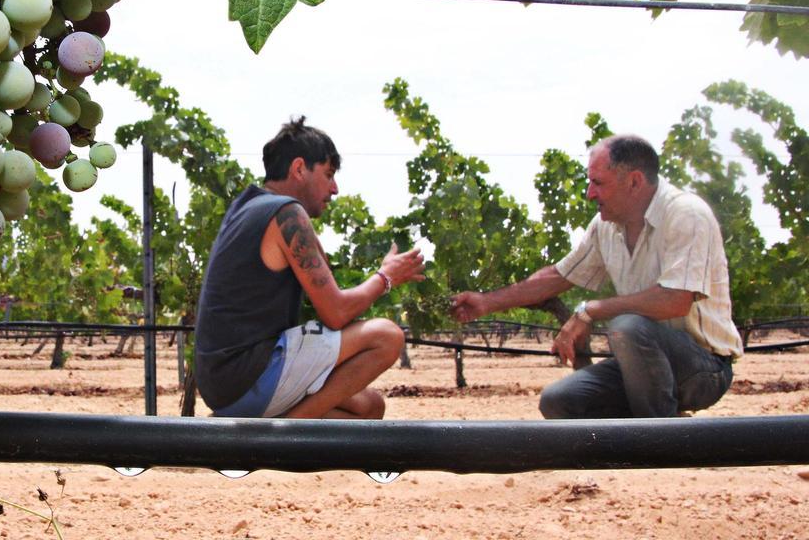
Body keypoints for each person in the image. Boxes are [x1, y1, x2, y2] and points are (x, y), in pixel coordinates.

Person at [451, 134, 742, 418]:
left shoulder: (686, 214)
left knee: (627, 327)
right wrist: (486, 302)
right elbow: (558, 276)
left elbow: (674, 301)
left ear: (635, 182)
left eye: (598, 183)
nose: (590, 193)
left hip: (704, 368)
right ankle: (655, 427)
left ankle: (661, 438)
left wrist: (590, 310)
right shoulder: (606, 227)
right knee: (559, 401)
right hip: (641, 366)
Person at [194, 117, 426, 419]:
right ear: (299, 168)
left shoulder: (247, 206)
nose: (335, 188)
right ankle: (286, 431)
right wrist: (386, 277)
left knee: (369, 409)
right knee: (387, 336)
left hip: (222, 388)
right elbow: (336, 313)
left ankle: (280, 428)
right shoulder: (286, 214)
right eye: (329, 175)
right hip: (247, 378)